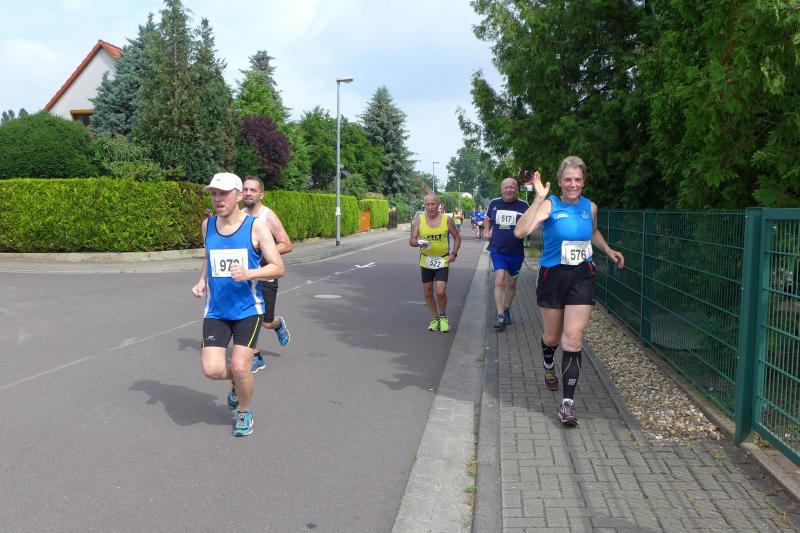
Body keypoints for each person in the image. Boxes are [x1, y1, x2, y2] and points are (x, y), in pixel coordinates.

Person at [513, 157, 624, 426]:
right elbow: (520, 232)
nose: (573, 184)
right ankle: (548, 364)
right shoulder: (550, 205)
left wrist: (608, 250)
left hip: (582, 276)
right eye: (568, 180)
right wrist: (539, 198)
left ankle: (567, 405)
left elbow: (593, 232)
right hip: (552, 276)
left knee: (572, 338)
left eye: (577, 180)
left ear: (583, 182)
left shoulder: (590, 207)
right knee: (552, 337)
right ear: (560, 181)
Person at [191, 172, 285, 437]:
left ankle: (244, 410)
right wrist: (201, 281)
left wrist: (250, 273)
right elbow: (209, 256)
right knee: (211, 370)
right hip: (216, 310)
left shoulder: (256, 226)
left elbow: (278, 268)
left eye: (224, 193)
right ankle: (237, 382)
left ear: (239, 196)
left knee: (243, 367)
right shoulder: (207, 225)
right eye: (214, 194)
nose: (217, 199)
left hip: (248, 309)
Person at [241, 176, 292, 373]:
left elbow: (286, 244)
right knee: (246, 317)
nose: (248, 193)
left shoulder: (267, 216)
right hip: (247, 277)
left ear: (261, 194)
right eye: (245, 189)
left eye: (253, 190)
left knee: (266, 321)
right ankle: (256, 356)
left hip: (266, 276)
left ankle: (278, 324)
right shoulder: (240, 215)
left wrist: (263, 254)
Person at [409, 192, 461, 333]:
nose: (430, 207)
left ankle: (443, 317)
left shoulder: (446, 219)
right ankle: (435, 318)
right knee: (427, 292)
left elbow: (457, 237)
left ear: (438, 205)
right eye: (428, 204)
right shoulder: (419, 220)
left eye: (433, 204)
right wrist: (418, 243)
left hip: (442, 260)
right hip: (426, 261)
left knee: (440, 291)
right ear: (424, 205)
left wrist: (454, 253)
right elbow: (412, 240)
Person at [484, 178, 529, 331]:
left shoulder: (524, 205)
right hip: (497, 250)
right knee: (499, 280)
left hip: (516, 252)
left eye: (512, 187)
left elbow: (531, 223)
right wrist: (486, 230)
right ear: (501, 189)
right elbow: (487, 218)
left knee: (511, 283)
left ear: (517, 189)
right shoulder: (494, 203)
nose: (509, 189)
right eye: (506, 187)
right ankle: (500, 315)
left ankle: (507, 308)